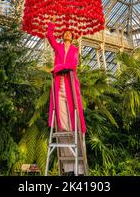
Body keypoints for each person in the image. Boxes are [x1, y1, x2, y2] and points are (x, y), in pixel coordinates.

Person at [47, 21, 86, 175]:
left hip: (70, 89)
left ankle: (80, 168)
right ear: (63, 36)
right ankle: (69, 168)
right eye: (65, 32)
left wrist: (57, 68)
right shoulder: (58, 48)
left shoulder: (75, 49)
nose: (68, 33)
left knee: (73, 125)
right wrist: (52, 22)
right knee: (62, 126)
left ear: (73, 36)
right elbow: (50, 37)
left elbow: (72, 65)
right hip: (59, 89)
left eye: (70, 32)